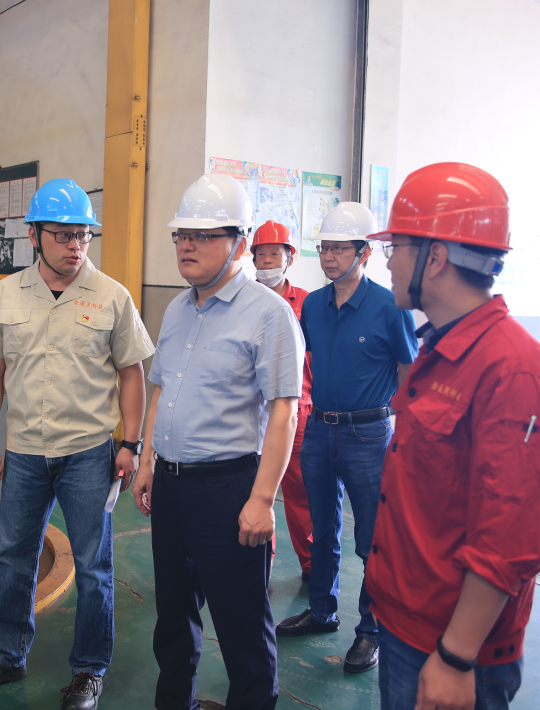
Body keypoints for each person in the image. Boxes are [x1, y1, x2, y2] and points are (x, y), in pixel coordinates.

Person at [365, 163, 540, 710]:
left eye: (397, 247)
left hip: (452, 648)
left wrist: (456, 656)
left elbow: (510, 535)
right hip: (406, 623)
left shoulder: (514, 370)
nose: (389, 261)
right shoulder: (441, 349)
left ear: (434, 258)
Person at [0, 178, 154, 710]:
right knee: (15, 558)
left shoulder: (111, 296)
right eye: (63, 235)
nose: (75, 245)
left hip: (89, 453)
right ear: (34, 235)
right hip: (23, 451)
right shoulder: (7, 294)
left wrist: (131, 443)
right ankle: (6, 655)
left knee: (93, 567)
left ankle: (88, 671)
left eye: (83, 235)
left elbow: (131, 374)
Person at [131, 174, 305, 710]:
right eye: (182, 234)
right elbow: (161, 388)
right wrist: (147, 460)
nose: (187, 245)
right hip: (172, 487)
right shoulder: (178, 308)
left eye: (204, 235)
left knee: (241, 626)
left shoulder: (269, 314)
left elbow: (284, 412)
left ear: (240, 242)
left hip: (229, 490)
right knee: (173, 618)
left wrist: (262, 500)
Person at [276, 201, 419, 675]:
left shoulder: (389, 307)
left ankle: (371, 630)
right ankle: (322, 611)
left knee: (371, 539)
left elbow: (409, 373)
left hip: (369, 435)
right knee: (321, 529)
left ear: (365, 253)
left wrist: (405, 435)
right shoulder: (314, 306)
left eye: (339, 249)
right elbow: (304, 362)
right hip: (321, 429)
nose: (329, 257)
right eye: (324, 248)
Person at [251, 219, 314, 582]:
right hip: (252, 415)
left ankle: (312, 568)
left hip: (298, 413)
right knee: (256, 494)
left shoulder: (307, 302)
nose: (267, 261)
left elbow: (318, 359)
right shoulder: (242, 299)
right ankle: (261, 565)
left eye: (274, 254)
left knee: (300, 497)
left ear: (289, 258)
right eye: (261, 254)